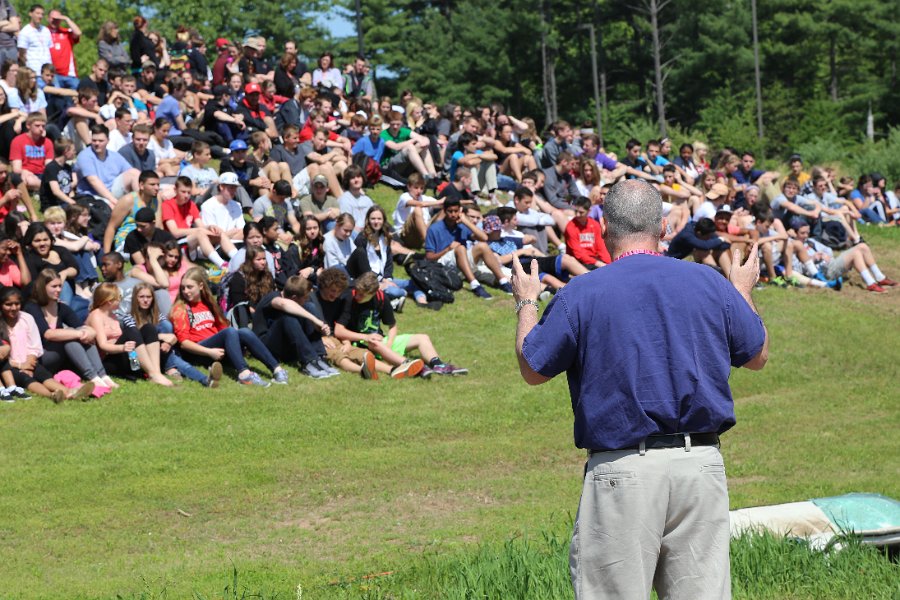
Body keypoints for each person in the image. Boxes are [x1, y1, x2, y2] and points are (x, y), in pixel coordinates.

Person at [512, 179, 768, 599]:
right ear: (665, 228)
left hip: (624, 468)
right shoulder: (709, 282)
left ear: (606, 229)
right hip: (699, 465)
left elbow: (533, 368)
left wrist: (526, 301)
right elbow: (756, 355)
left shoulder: (583, 292)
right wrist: (742, 291)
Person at [169, 266, 287, 387]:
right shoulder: (180, 308)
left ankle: (277, 370)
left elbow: (222, 327)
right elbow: (184, 343)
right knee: (230, 332)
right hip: (200, 352)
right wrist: (209, 352)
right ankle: (244, 375)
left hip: (217, 348)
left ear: (200, 286)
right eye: (183, 288)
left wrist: (236, 343)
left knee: (244, 332)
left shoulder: (208, 303)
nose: (185, 291)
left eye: (189, 287)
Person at [24, 268, 114, 392]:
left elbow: (85, 327)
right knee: (71, 337)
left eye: (60, 286)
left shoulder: (62, 307)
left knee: (75, 335)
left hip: (61, 355)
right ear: (42, 287)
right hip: (42, 356)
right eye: (54, 286)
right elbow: (48, 334)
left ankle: (102, 375)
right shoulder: (32, 307)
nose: (59, 290)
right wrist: (79, 333)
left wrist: (88, 332)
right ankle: (93, 376)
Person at [0, 286, 94, 402]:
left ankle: (68, 392)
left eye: (17, 304)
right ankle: (52, 396)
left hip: (30, 361)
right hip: (9, 367)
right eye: (8, 304)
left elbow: (35, 344)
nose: (13, 308)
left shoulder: (27, 318)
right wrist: (20, 366)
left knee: (42, 374)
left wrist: (29, 363)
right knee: (26, 379)